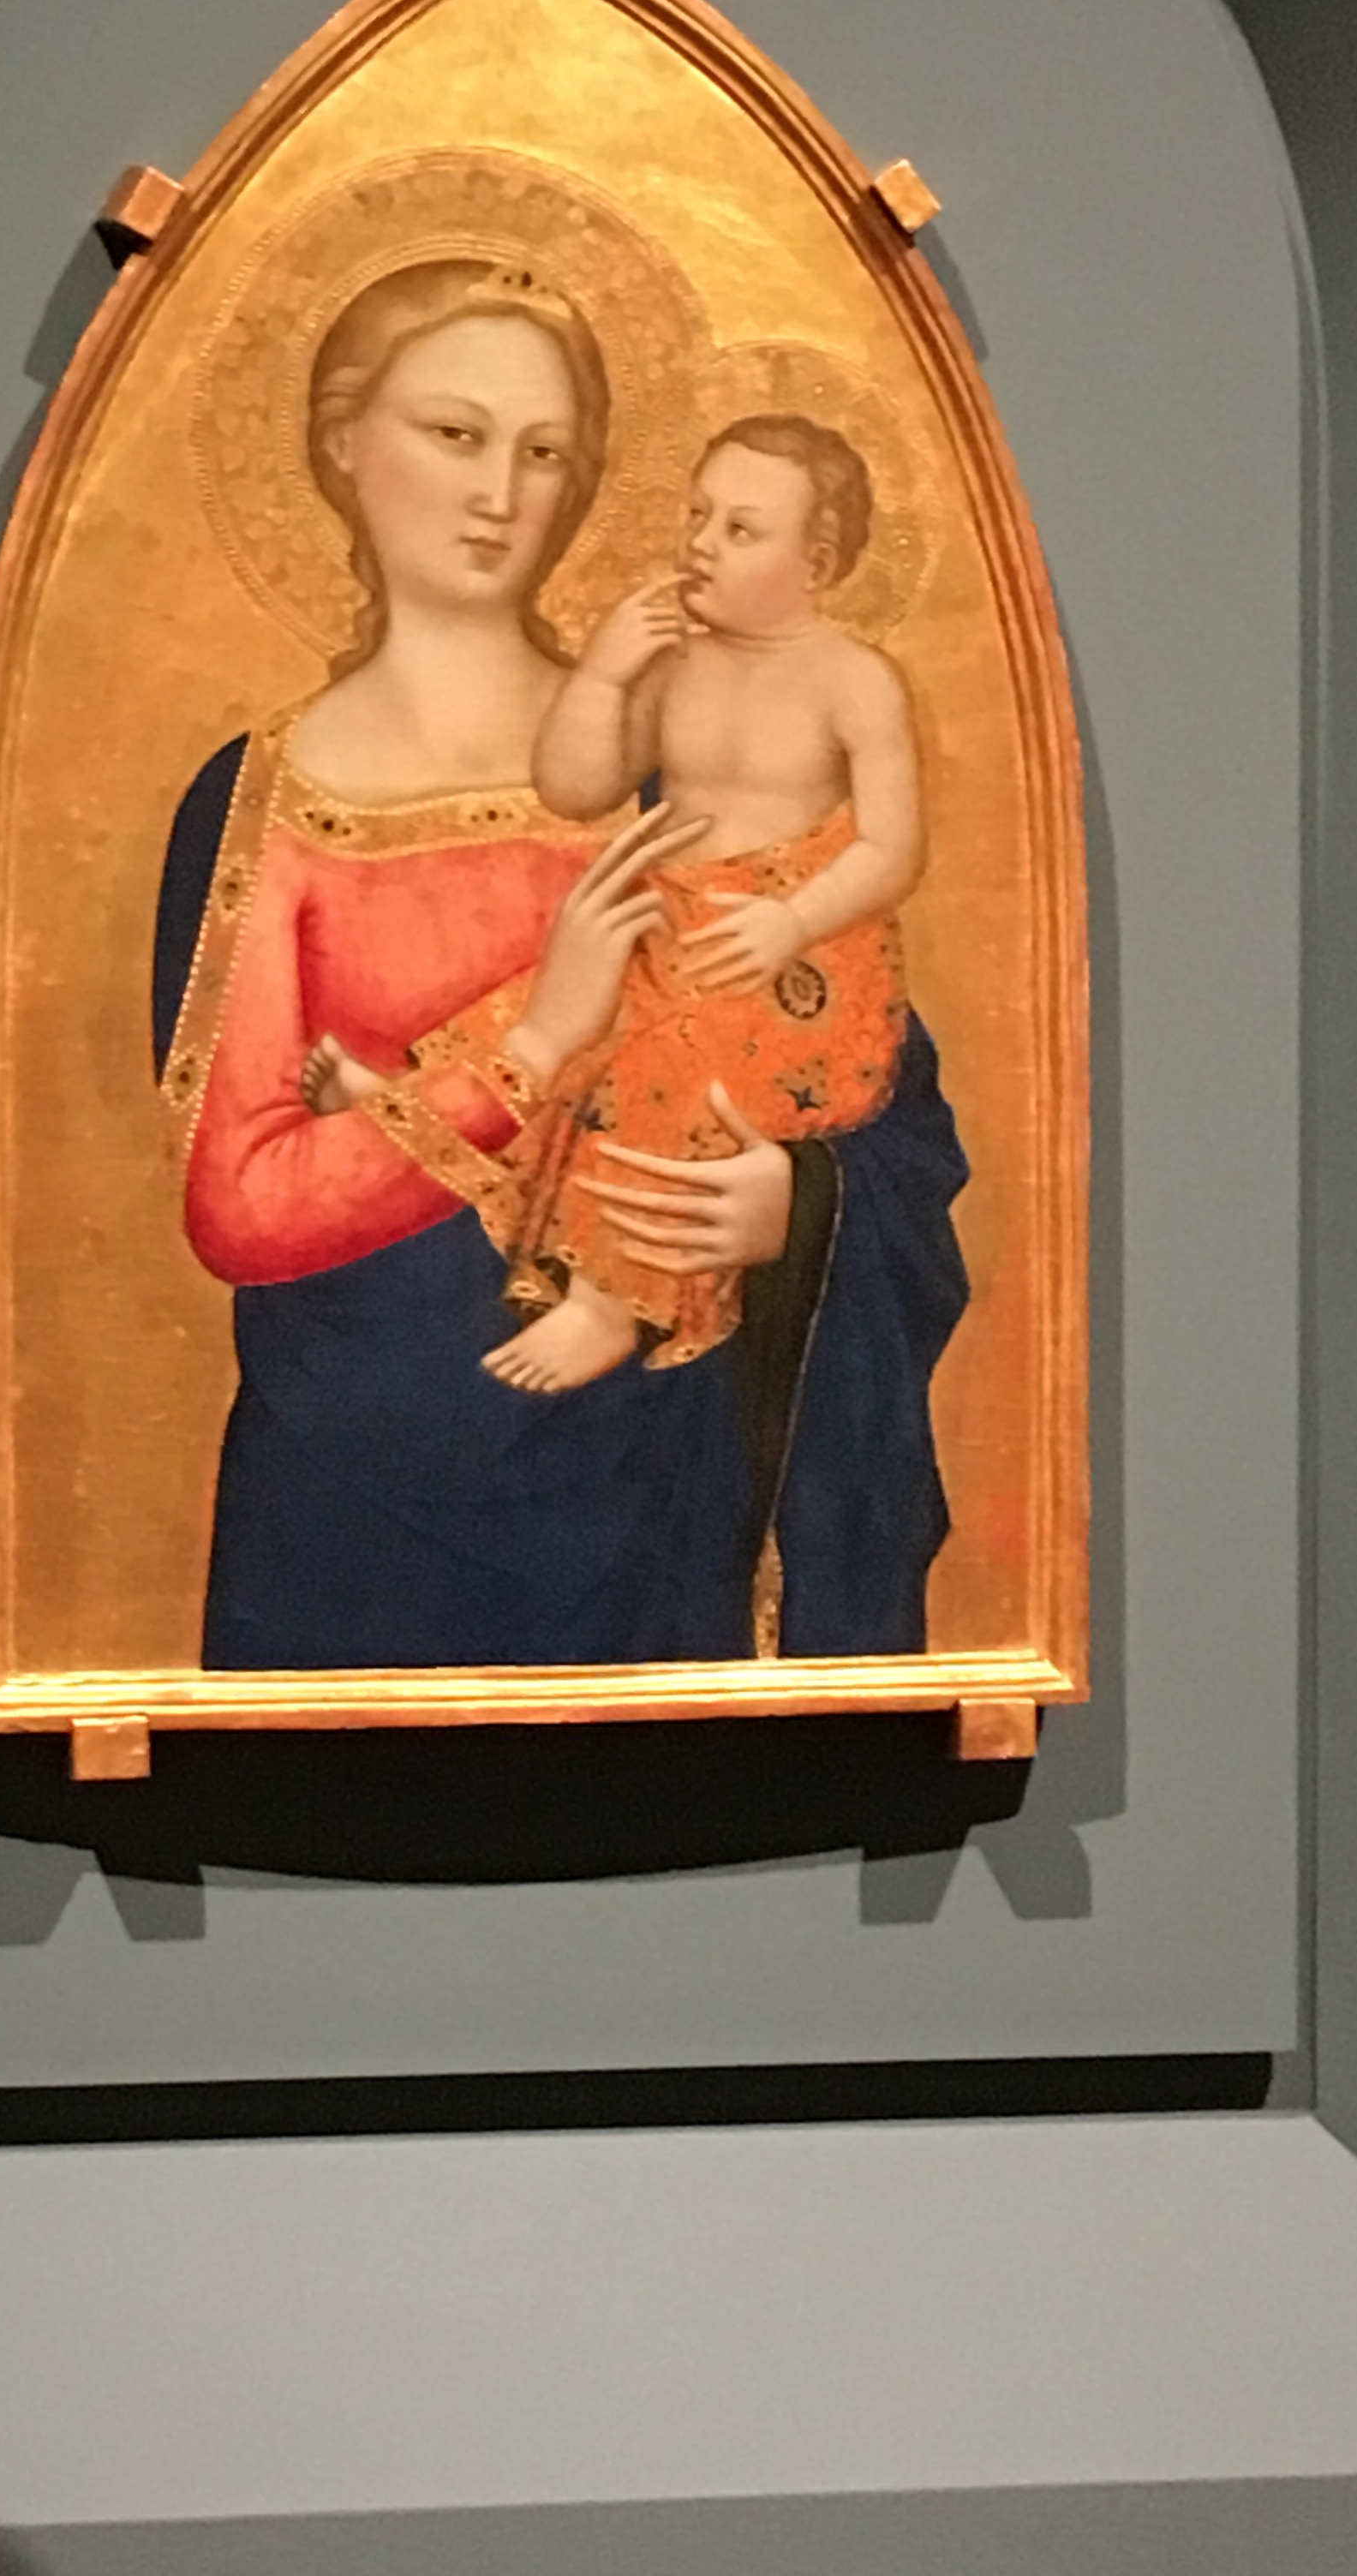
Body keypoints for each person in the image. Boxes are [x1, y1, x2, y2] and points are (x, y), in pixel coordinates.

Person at [155, 259, 965, 1675]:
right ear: (340, 443)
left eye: (544, 454)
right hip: (355, 1507)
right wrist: (530, 1048)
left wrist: (794, 1206)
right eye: (452, 433)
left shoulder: (674, 754)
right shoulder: (258, 806)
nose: (499, 493)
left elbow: (870, 1082)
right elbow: (241, 1206)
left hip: (661, 1485)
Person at [481, 411, 923, 1390]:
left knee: (666, 1069)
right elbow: (576, 787)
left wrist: (792, 920)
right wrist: (605, 673)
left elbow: (893, 849)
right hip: (675, 927)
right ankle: (402, 1120)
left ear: (814, 565)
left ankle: (608, 1306)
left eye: (740, 529)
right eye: (697, 515)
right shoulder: (677, 663)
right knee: (531, 1020)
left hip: (795, 963)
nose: (701, 543)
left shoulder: (853, 681)